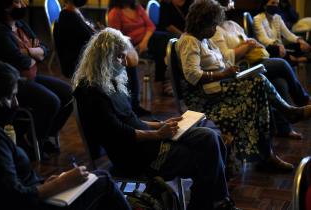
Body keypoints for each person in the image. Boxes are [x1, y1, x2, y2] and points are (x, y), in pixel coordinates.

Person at [73, 27, 240, 210]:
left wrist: (160, 125)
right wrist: (158, 134)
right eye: (118, 57)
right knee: (207, 156)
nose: (123, 62)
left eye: (123, 56)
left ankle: (212, 202)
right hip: (133, 156)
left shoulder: (108, 81)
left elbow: (131, 119)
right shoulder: (90, 92)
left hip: (146, 141)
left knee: (210, 137)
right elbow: (119, 133)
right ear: (103, 57)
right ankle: (213, 203)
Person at [176, 0, 311, 171]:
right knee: (259, 82)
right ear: (202, 23)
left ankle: (268, 151)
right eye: (213, 25)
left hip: (220, 85)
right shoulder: (189, 41)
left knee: (259, 81)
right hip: (207, 95)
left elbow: (219, 62)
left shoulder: (203, 39)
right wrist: (224, 74)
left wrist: (230, 71)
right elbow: (193, 76)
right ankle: (278, 131)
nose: (215, 29)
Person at [0, 60, 132, 210]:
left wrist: (46, 184)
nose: (16, 104)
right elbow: (16, 197)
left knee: (98, 178)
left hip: (37, 192)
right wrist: (61, 183)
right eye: (11, 97)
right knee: (103, 180)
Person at [211, 0, 311, 139]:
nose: (230, 8)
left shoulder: (233, 25)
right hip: (240, 67)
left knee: (280, 81)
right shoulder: (215, 31)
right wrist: (245, 47)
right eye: (227, 6)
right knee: (282, 64)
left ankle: (284, 128)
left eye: (230, 6)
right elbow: (225, 59)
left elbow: (251, 41)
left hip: (254, 60)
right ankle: (303, 100)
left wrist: (254, 44)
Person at [0, 0, 73, 155]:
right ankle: (33, 141)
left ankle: (49, 136)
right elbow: (21, 61)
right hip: (16, 83)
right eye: (17, 2)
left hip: (33, 76)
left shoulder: (20, 24)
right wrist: (34, 53)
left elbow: (44, 48)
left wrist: (29, 52)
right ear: (5, 6)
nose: (23, 4)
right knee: (52, 101)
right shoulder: (0, 32)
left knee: (70, 94)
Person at [55, 0, 149, 116]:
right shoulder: (67, 16)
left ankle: (130, 107)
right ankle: (129, 109)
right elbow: (86, 40)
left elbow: (89, 37)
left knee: (125, 60)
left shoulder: (76, 12)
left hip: (89, 57)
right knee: (124, 63)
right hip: (81, 62)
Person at [108, 0, 172, 96]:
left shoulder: (137, 8)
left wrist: (144, 42)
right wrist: (139, 45)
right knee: (165, 44)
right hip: (133, 46)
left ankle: (164, 80)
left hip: (147, 40)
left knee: (169, 40)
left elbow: (150, 26)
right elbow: (117, 38)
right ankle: (166, 81)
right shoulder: (115, 13)